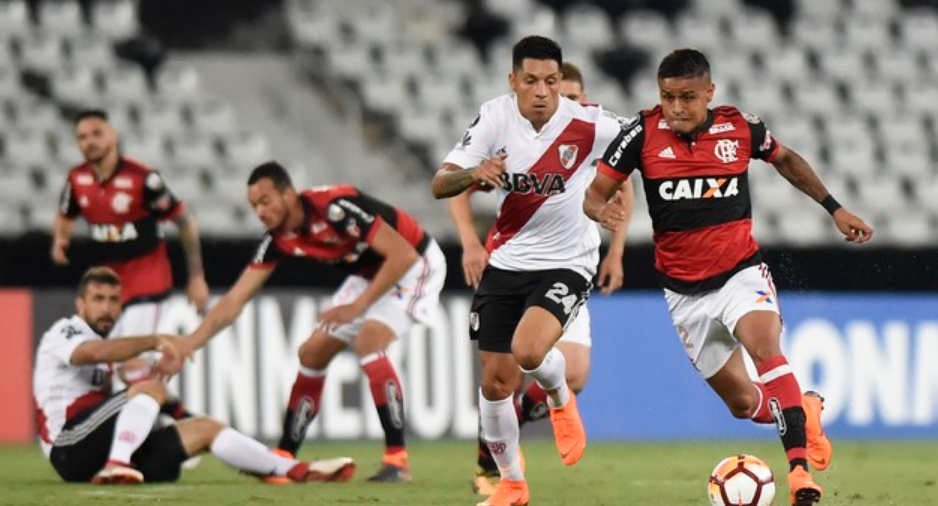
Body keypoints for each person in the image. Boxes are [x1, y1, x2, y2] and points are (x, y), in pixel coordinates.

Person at [584, 48, 874, 506]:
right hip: (684, 294)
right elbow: (593, 196)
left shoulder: (740, 127)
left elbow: (787, 160)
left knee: (765, 348)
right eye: (667, 97)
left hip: (740, 273)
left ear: (709, 93)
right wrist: (602, 211)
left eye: (687, 97)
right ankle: (806, 411)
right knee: (742, 405)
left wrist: (834, 209)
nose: (676, 107)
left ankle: (798, 472)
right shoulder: (639, 133)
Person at [431, 36, 629, 506]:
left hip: (566, 263)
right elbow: (441, 183)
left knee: (528, 349)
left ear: (562, 82)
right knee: (495, 383)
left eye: (552, 81)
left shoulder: (588, 122)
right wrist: (474, 173)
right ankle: (512, 484)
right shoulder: (494, 117)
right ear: (513, 80)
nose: (542, 91)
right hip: (507, 261)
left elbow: (646, 139)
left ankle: (561, 399)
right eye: (532, 81)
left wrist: (603, 211)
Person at [159, 161, 446, 483]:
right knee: (311, 353)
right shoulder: (277, 239)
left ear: (288, 194)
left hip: (416, 263)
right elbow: (233, 302)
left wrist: (357, 306)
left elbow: (402, 255)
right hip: (369, 276)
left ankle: (397, 461)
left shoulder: (336, 208)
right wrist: (187, 345)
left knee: (369, 340)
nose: (260, 212)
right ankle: (283, 457)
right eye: (254, 206)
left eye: (265, 202)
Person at [34, 266, 355, 485]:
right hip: (67, 446)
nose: (106, 308)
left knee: (205, 429)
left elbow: (138, 391)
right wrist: (155, 340)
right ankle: (118, 463)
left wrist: (185, 416)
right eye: (98, 299)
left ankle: (296, 470)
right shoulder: (65, 330)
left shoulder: (109, 346)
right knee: (151, 387)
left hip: (92, 451)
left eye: (113, 300)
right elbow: (88, 353)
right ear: (81, 304)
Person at [51, 109, 208, 421]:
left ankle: (174, 429)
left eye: (97, 134)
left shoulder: (143, 179)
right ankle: (181, 425)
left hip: (148, 280)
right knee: (119, 367)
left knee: (128, 364)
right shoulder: (77, 179)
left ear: (113, 136)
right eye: (82, 137)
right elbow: (65, 214)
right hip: (111, 287)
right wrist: (61, 239)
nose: (89, 142)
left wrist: (196, 276)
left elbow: (185, 223)